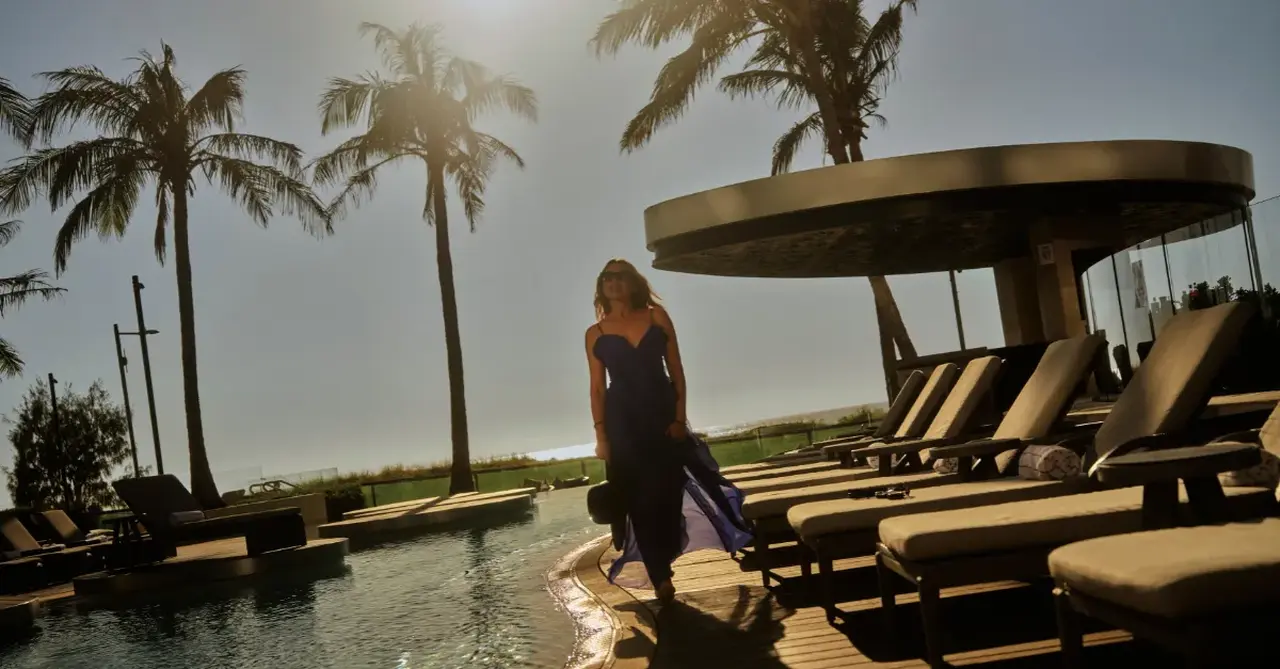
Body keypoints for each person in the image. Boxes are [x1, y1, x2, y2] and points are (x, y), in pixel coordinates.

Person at [585, 258, 752, 601]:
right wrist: (601, 436)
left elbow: (676, 370)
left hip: (661, 415)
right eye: (607, 277)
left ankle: (665, 555)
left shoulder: (656, 316)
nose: (613, 282)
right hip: (622, 423)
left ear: (633, 282)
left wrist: (678, 418)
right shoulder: (595, 333)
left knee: (667, 493)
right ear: (601, 285)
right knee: (638, 499)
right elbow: (597, 389)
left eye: (620, 276)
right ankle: (660, 575)